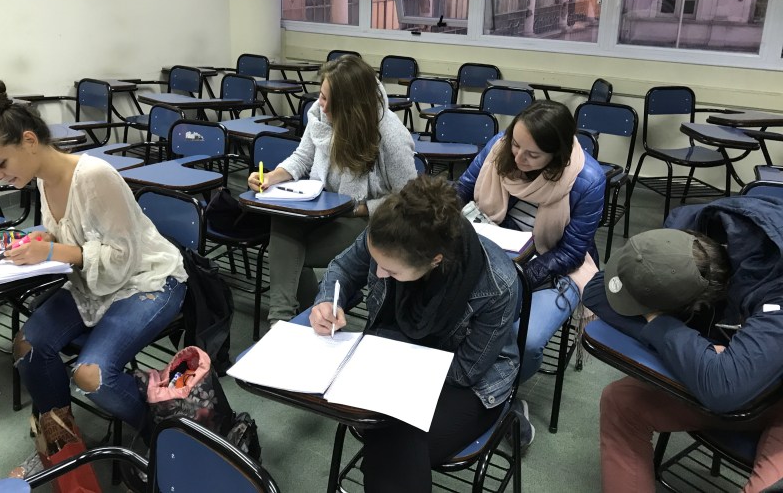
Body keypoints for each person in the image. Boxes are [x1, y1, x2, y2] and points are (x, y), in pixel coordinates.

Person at [0, 78, 187, 477]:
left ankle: (165, 437)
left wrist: (53, 251)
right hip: (95, 281)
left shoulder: (94, 175)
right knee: (27, 347)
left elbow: (123, 257)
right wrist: (46, 239)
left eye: (0, 163)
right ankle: (60, 446)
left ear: (29, 141)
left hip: (148, 280)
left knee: (93, 376)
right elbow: (74, 237)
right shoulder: (41, 177)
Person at [309, 175, 521, 493]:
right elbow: (343, 268)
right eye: (377, 263)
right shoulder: (386, 234)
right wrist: (327, 300)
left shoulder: (497, 284)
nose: (379, 274)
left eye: (391, 271)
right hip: (397, 357)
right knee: (392, 438)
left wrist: (392, 365)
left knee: (392, 435)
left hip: (470, 384)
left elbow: (466, 371)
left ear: (435, 261)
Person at [583, 195, 783, 493]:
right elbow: (598, 290)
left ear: (699, 304)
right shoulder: (681, 237)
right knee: (621, 401)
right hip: (730, 377)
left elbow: (724, 387)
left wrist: (664, 327)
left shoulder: (774, 288)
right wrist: (666, 327)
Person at [247, 55, 417, 325]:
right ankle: (292, 318)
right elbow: (303, 157)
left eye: (328, 100)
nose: (321, 105)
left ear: (351, 106)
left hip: (364, 219)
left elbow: (409, 200)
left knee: (290, 255)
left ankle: (286, 322)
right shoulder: (320, 113)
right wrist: (270, 177)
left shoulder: (390, 136)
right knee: (282, 223)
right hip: (321, 208)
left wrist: (361, 208)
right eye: (321, 96)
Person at [457, 100, 605, 392]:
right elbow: (463, 189)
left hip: (555, 266)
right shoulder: (498, 148)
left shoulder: (588, 179)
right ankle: (468, 382)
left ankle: (502, 393)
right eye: (515, 144)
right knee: (456, 312)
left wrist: (517, 279)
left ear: (557, 154)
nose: (518, 157)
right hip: (493, 249)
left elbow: (571, 252)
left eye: (533, 154)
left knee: (527, 339)